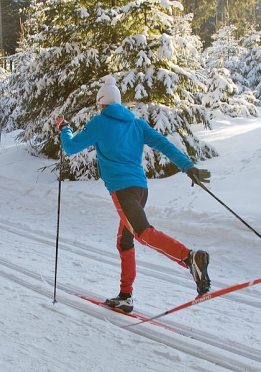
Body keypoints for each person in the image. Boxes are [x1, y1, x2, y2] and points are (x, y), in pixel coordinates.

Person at [57, 75, 212, 313]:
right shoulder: (136, 124)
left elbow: (69, 147)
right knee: (125, 240)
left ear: (101, 104)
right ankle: (125, 296)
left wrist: (64, 129)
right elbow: (163, 144)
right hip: (141, 189)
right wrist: (187, 166)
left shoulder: (100, 122)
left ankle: (190, 258)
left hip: (122, 190)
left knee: (142, 233)